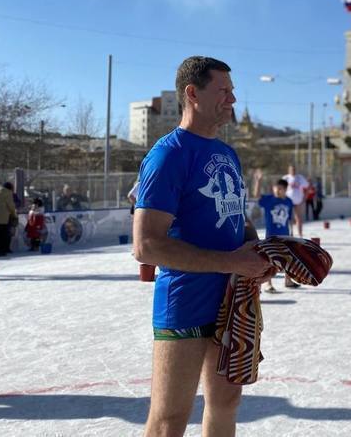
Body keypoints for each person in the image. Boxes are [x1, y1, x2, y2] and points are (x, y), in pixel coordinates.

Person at [133, 56, 272, 436]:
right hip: (186, 300)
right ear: (192, 93)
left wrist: (258, 254)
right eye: (224, 91)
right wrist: (231, 261)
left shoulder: (227, 154)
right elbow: (146, 246)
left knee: (226, 403)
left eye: (233, 91)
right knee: (170, 418)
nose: (233, 100)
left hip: (231, 299)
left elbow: (236, 220)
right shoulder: (169, 155)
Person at [252, 170, 300, 292]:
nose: (276, 191)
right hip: (271, 236)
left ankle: (288, 281)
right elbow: (257, 196)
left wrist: (292, 234)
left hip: (285, 236)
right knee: (270, 260)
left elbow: (289, 219)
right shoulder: (269, 200)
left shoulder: (288, 201)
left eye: (279, 189)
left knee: (288, 259)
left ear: (285, 189)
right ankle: (268, 284)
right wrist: (258, 181)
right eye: (275, 188)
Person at [283, 165, 308, 237]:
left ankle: (300, 233)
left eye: (294, 169)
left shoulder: (300, 177)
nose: (292, 171)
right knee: (288, 217)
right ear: (288, 170)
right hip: (288, 200)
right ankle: (290, 233)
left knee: (298, 217)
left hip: (298, 200)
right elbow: (280, 188)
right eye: (291, 169)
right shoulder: (286, 178)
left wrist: (305, 197)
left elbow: (307, 187)